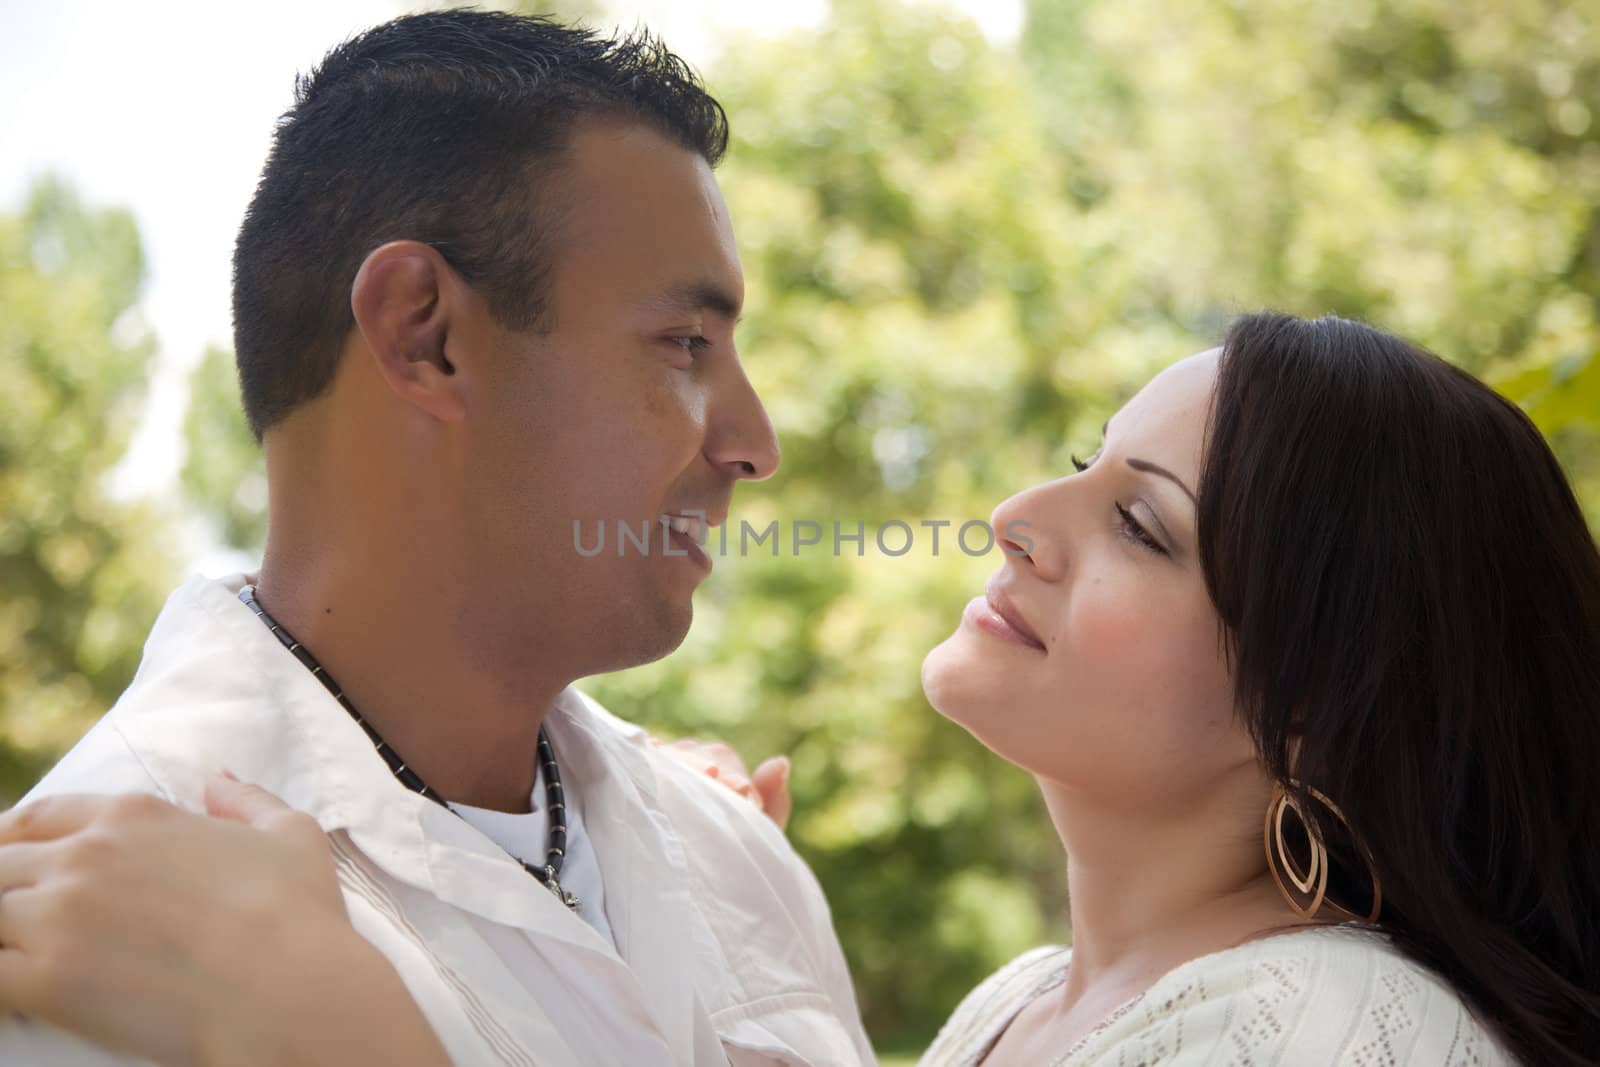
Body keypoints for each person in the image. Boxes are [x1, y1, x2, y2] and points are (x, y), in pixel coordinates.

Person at [7, 313, 1600, 1066]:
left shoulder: (1344, 1035)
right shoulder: (1011, 1013)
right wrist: (651, 902)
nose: (1017, 521)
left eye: (1138, 522)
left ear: (1321, 707)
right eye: (1074, 467)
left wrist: (353, 1035)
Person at [0, 10, 874, 1066]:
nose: (755, 442)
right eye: (685, 344)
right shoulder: (85, 952)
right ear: (426, 333)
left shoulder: (740, 862)